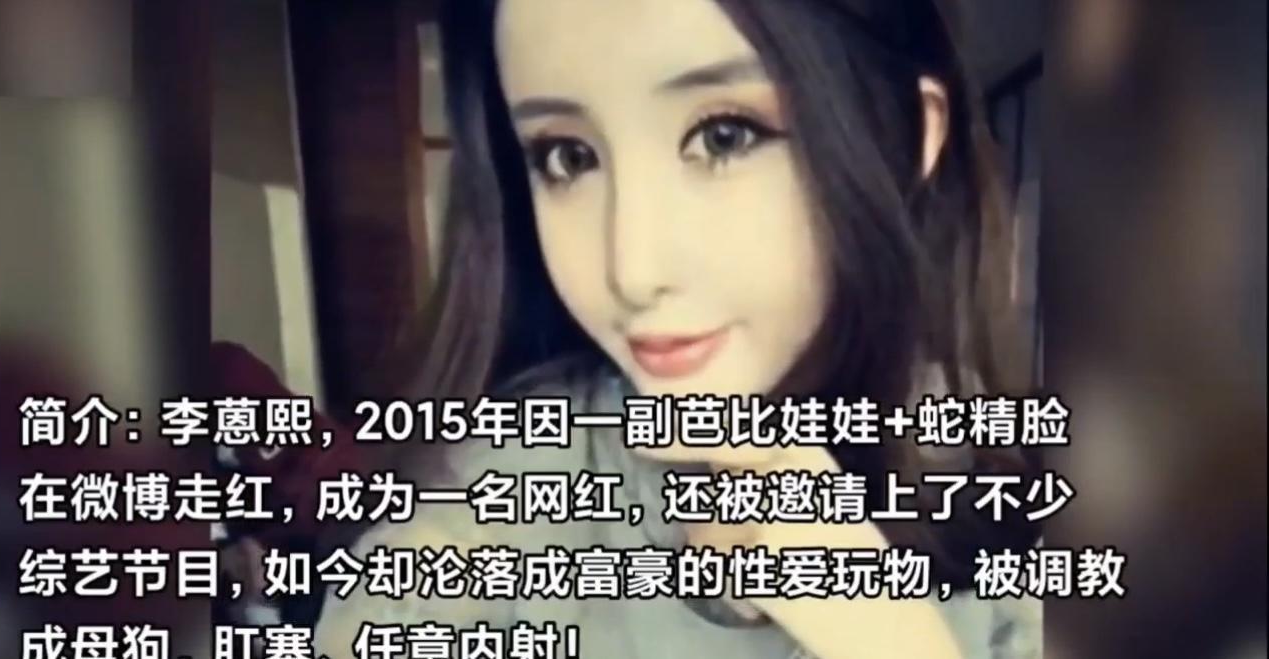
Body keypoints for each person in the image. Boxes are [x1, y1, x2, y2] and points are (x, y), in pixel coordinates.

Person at [315, 0, 1042, 657]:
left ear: (907, 139)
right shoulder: (506, 489)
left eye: (725, 136)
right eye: (568, 156)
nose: (631, 269)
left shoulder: (1016, 496)